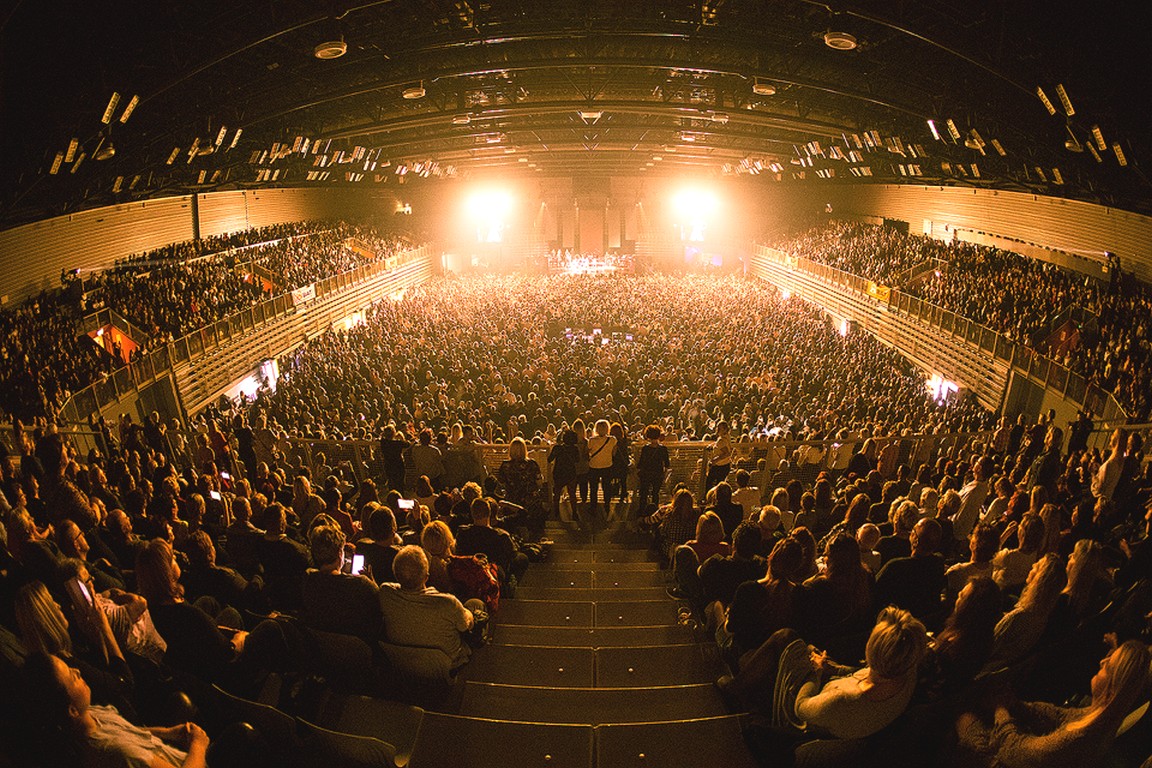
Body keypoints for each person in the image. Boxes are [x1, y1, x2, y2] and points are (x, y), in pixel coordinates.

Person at [721, 606, 928, 742]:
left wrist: (816, 673)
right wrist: (832, 667)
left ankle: (737, 686)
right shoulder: (907, 671)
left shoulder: (844, 700)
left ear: (872, 649)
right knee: (801, 645)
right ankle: (744, 670)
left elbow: (800, 707)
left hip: (801, 718)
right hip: (831, 692)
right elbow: (861, 673)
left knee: (784, 637)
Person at [956, 640, 1151, 768]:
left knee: (964, 718)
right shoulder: (1100, 716)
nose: (1102, 661)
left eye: (1108, 665)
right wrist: (1016, 705)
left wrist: (1000, 709)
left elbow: (1015, 752)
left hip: (1010, 760)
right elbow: (1058, 715)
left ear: (1112, 688)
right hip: (1023, 752)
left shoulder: (1079, 739)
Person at [22, 651, 210, 768]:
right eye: (72, 677)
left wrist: (168, 733)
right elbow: (126, 746)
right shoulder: (117, 755)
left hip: (178, 754)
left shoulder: (91, 714)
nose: (78, 671)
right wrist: (198, 745)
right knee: (239, 735)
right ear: (71, 710)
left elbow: (129, 733)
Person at [377, 545, 481, 670]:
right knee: (475, 604)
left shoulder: (385, 593)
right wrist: (468, 613)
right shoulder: (448, 603)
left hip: (401, 663)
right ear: (426, 577)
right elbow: (466, 626)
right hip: (449, 665)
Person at [301, 525, 382, 642]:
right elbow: (380, 606)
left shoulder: (308, 579)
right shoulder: (361, 584)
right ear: (340, 553)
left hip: (321, 646)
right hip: (357, 649)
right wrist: (371, 582)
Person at [875, 517, 947, 626]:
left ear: (916, 540)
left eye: (913, 531)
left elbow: (874, 593)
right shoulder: (938, 563)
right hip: (926, 623)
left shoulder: (895, 567)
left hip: (897, 625)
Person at [496, 437, 544, 539]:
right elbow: (539, 482)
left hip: (512, 500)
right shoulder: (532, 464)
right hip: (530, 501)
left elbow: (501, 483)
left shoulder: (505, 465)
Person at [635, 424, 670, 517]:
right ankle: (655, 512)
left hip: (646, 473)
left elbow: (641, 463)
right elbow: (667, 464)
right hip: (658, 473)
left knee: (644, 493)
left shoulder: (645, 448)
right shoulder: (663, 449)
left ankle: (642, 511)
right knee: (655, 493)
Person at [585, 420, 617, 522]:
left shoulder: (591, 440)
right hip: (607, 465)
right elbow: (614, 453)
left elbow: (587, 452)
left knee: (593, 488)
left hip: (594, 466)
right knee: (606, 486)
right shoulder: (612, 440)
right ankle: (607, 505)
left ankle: (593, 507)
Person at [548, 428, 579, 521]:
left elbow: (549, 459)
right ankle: (574, 513)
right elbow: (577, 460)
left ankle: (556, 511)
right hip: (571, 472)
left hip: (559, 472)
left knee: (557, 493)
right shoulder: (575, 449)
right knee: (572, 494)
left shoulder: (557, 448)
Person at [705, 421, 733, 491]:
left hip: (719, 466)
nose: (717, 430)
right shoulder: (727, 437)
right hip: (725, 465)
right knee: (720, 486)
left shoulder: (722, 440)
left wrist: (715, 460)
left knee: (709, 483)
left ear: (725, 429)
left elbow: (727, 453)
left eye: (719, 428)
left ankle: (708, 498)